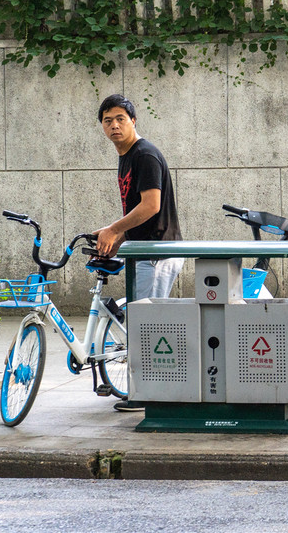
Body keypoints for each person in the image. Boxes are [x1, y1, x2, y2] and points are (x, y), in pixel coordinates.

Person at [94, 94, 183, 411]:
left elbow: (151, 206)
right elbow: (138, 210)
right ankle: (150, 389)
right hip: (144, 249)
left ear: (133, 121)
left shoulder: (144, 155)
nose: (114, 125)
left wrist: (114, 229)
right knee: (144, 322)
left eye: (120, 118)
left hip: (157, 251)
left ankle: (149, 394)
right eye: (107, 120)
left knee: (148, 325)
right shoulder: (127, 155)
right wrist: (116, 234)